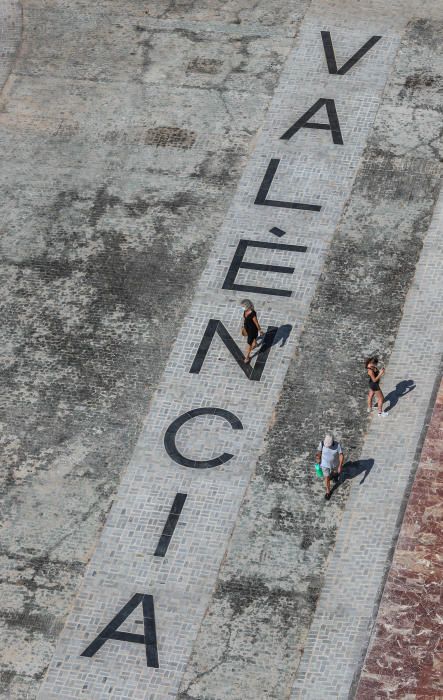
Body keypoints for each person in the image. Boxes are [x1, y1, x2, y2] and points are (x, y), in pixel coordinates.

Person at [315, 434, 344, 501]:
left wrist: (340, 465)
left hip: (335, 464)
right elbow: (319, 452)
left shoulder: (337, 445)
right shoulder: (322, 443)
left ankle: (334, 475)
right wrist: (318, 459)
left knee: (335, 472)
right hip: (324, 465)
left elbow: (341, 455)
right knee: (327, 477)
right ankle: (328, 491)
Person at [241, 299, 263, 363]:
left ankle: (247, 357)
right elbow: (245, 319)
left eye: (243, 306)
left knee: (249, 343)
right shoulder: (245, 311)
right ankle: (255, 343)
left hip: (252, 330)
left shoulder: (253, 313)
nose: (242, 307)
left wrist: (260, 330)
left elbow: (256, 323)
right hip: (247, 327)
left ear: (247, 306)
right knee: (253, 339)